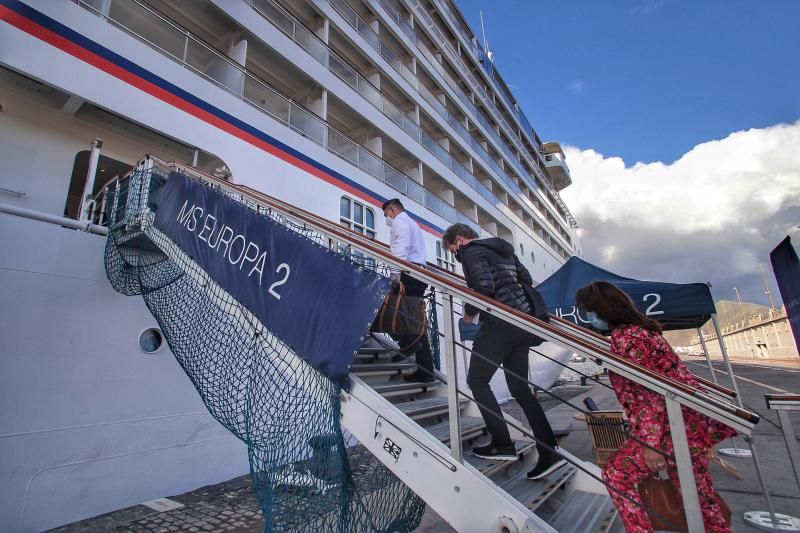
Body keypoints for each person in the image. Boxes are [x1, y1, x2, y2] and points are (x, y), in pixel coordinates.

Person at [575, 281, 735, 533]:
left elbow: (649, 393)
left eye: (589, 311)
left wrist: (650, 445)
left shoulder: (629, 340)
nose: (588, 317)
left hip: (672, 427)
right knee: (696, 493)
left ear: (604, 309)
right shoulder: (641, 332)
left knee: (616, 476)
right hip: (688, 423)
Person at [442, 223, 565, 479]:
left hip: (499, 324)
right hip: (521, 322)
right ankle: (548, 450)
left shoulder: (471, 252)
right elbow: (526, 280)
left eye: (454, 250)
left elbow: (484, 287)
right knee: (520, 390)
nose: (456, 254)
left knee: (476, 381)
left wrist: (468, 314)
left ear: (460, 240)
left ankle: (503, 443)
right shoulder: (504, 250)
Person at [382, 199, 434, 383]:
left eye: (386, 214)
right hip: (419, 273)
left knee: (394, 312)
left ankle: (407, 346)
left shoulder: (399, 221)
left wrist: (395, 274)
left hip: (407, 273)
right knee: (413, 319)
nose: (387, 219)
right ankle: (425, 369)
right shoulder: (413, 223)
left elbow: (400, 248)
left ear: (391, 210)